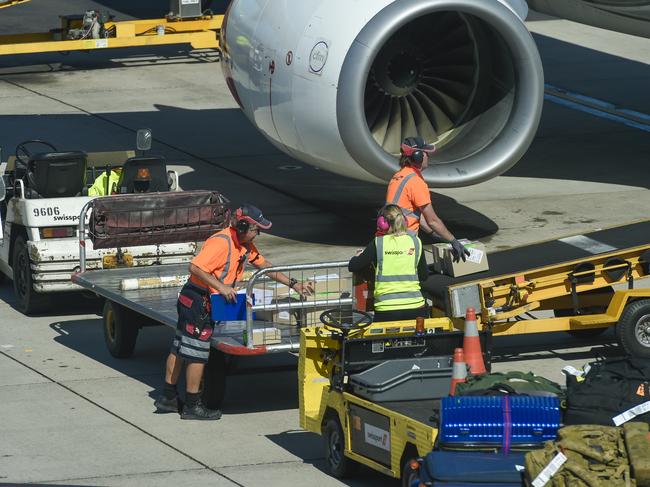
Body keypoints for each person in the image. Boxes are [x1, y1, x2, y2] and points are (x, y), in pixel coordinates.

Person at [154, 204, 314, 420]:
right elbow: (195, 268)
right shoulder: (222, 242)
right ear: (243, 226)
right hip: (197, 300)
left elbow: (264, 265)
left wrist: (294, 284)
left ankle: (167, 397)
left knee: (180, 346)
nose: (258, 234)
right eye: (256, 230)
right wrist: (221, 287)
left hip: (198, 300)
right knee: (197, 354)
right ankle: (192, 406)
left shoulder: (245, 244)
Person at [386, 136, 470, 262]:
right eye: (426, 153)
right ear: (418, 156)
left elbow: (411, 213)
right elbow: (433, 220)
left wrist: (432, 233)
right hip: (404, 242)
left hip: (389, 238)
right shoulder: (416, 182)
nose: (428, 157)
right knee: (420, 276)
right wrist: (453, 240)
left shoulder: (398, 176)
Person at [348, 205, 428, 322]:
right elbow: (424, 276)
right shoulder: (416, 242)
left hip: (386, 308)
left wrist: (357, 256)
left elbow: (354, 266)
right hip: (415, 307)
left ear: (382, 223)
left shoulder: (379, 243)